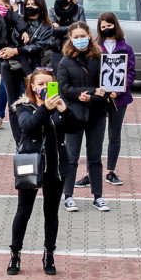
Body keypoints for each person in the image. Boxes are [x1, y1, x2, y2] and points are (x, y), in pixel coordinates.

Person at [8, 67, 79, 276]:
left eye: (49, 84)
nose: (44, 88)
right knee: (24, 211)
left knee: (51, 213)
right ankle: (15, 253)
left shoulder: (58, 106)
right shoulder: (23, 106)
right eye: (40, 84)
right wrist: (45, 109)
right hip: (30, 164)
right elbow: (28, 127)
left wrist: (64, 110)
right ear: (32, 86)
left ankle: (49, 254)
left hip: (56, 167)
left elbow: (74, 128)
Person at [56, 22, 110, 213]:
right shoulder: (65, 62)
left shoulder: (100, 58)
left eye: (83, 36)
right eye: (76, 37)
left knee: (95, 157)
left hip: (96, 114)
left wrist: (94, 96)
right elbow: (64, 89)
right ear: (70, 38)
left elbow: (107, 87)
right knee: (71, 157)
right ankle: (68, 196)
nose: (80, 40)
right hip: (74, 115)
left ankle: (98, 196)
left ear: (89, 35)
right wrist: (86, 92)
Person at [94, 12, 135, 187]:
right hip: (99, 98)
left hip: (120, 99)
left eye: (109, 25)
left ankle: (110, 171)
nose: (106, 29)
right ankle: (92, 170)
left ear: (115, 25)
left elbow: (131, 73)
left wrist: (119, 89)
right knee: (95, 135)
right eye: (103, 27)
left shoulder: (126, 48)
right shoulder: (95, 47)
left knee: (114, 135)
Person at [0, 0, 28, 143]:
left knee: (20, 70)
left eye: (1, 4)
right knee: (9, 92)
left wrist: (23, 32)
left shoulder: (11, 16)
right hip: (0, 48)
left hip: (13, 47)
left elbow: (19, 21)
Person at [49, 0, 85, 72]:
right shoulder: (52, 11)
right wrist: (72, 27)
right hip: (57, 48)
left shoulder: (79, 9)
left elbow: (81, 28)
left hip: (75, 48)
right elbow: (51, 30)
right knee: (58, 76)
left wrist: (60, 28)